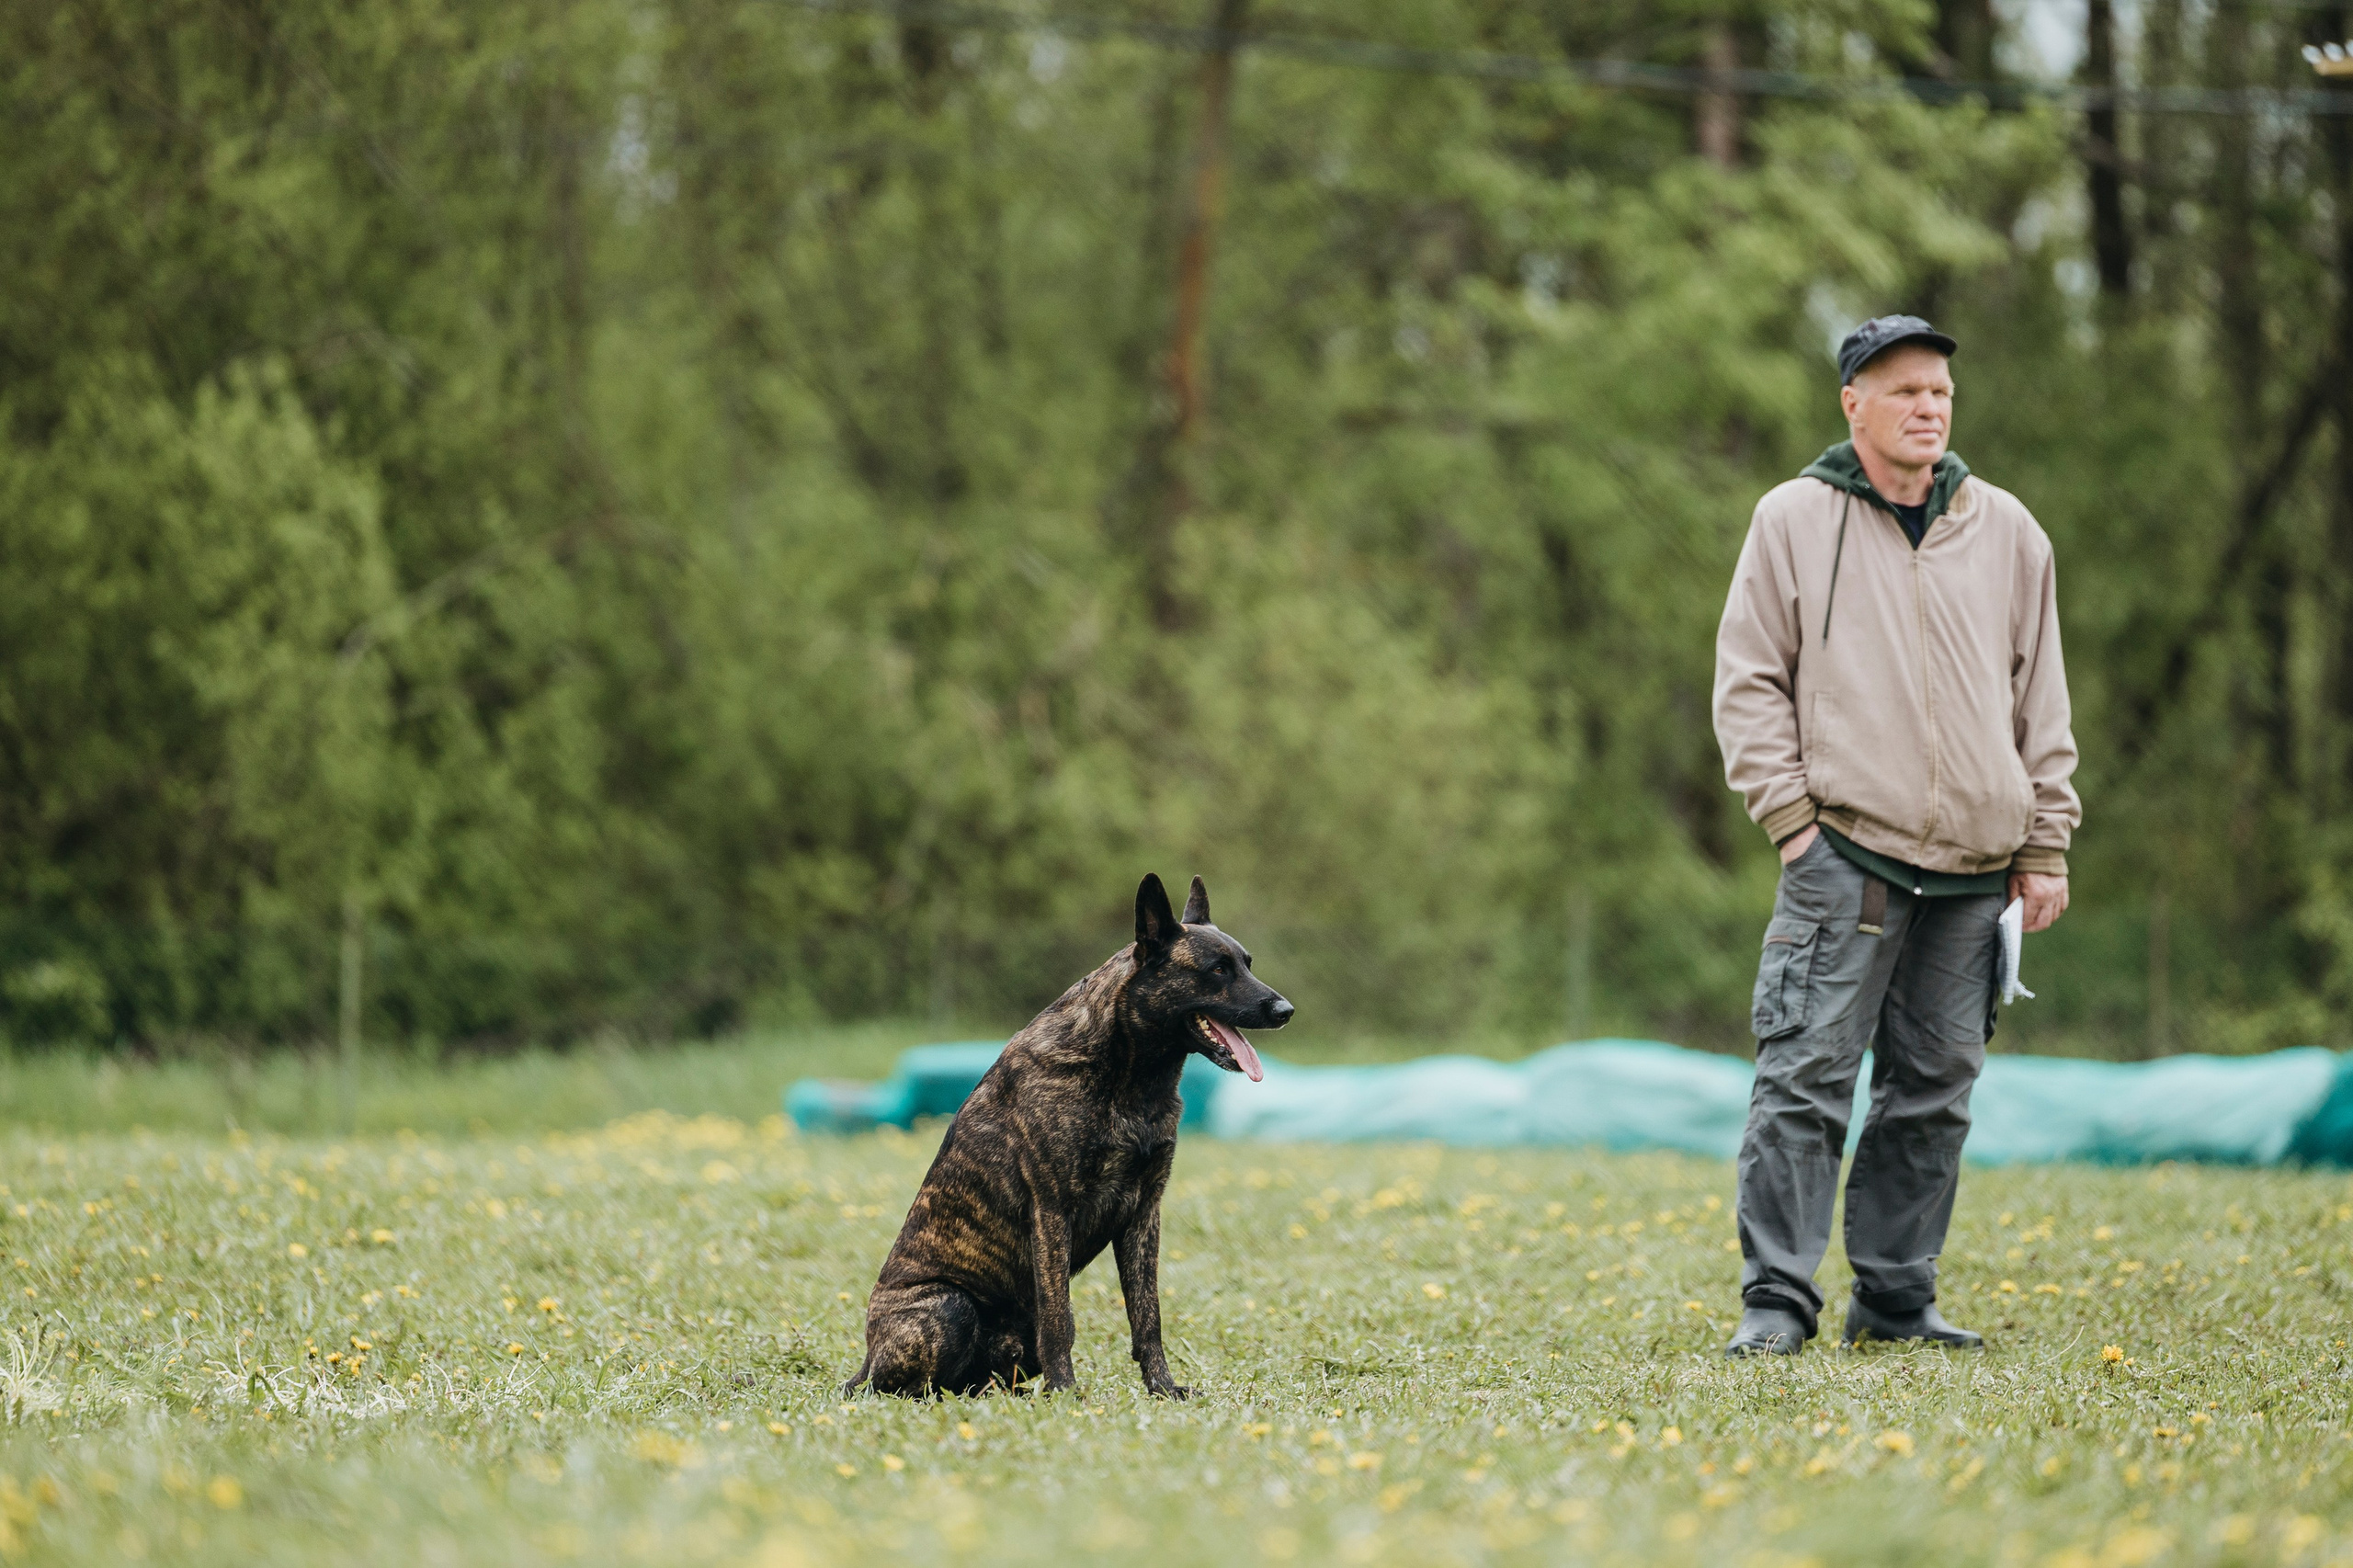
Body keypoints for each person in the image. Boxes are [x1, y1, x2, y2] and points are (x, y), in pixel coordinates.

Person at [1710, 315, 2080, 1356]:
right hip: (1845, 856)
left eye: (1940, 392)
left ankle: (1896, 1299)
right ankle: (1777, 1301)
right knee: (1804, 1080)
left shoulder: (2008, 530)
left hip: (1973, 873)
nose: (1928, 408)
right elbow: (1748, 682)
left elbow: (2041, 698)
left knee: (1935, 1092)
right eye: (1905, 391)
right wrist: (1793, 824)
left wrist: (2044, 842)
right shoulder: (1792, 517)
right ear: (1853, 405)